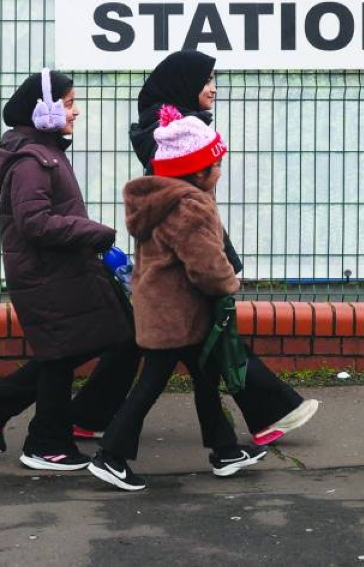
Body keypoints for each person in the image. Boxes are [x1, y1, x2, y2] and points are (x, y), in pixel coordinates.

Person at [129, 51, 319, 445]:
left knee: (200, 364)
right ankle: (113, 448)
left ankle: (231, 443)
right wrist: (223, 267)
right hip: (177, 287)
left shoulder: (173, 127)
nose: (213, 89)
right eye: (206, 81)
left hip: (170, 287)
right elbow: (192, 220)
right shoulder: (173, 135)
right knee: (200, 357)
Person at [89, 106, 267, 491]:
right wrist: (228, 285)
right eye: (216, 165)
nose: (221, 171)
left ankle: (225, 450)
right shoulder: (191, 204)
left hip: (163, 307)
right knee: (151, 384)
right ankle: (111, 456)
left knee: (205, 378)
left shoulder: (159, 198)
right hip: (179, 314)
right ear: (197, 170)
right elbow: (205, 264)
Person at [0, 70, 133, 470]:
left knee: (95, 342)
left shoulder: (46, 152)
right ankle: (45, 444)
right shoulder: (32, 160)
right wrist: (94, 232)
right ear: (43, 109)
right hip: (47, 275)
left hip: (62, 271)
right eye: (69, 102)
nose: (75, 112)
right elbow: (34, 223)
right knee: (65, 353)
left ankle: (9, 408)